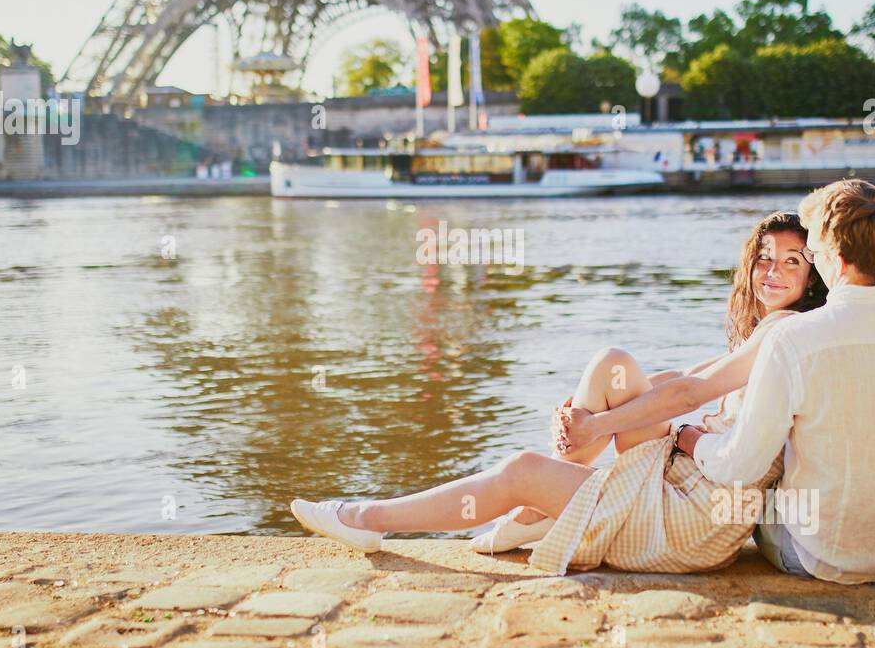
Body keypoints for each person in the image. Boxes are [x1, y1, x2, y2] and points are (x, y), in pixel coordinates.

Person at [288, 210, 828, 575]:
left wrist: (597, 426)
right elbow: (681, 378)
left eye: (791, 261)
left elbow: (687, 396)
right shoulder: (771, 331)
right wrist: (580, 421)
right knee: (614, 367)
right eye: (764, 257)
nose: (772, 271)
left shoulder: (784, 332)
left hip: (693, 521)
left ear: (813, 277)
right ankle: (545, 500)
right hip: (690, 485)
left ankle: (367, 518)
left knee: (521, 469)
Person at [672, 179, 875, 583]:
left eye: (813, 254)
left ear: (837, 262)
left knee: (739, 494)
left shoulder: (794, 338)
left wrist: (689, 438)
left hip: (822, 553)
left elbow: (740, 466)